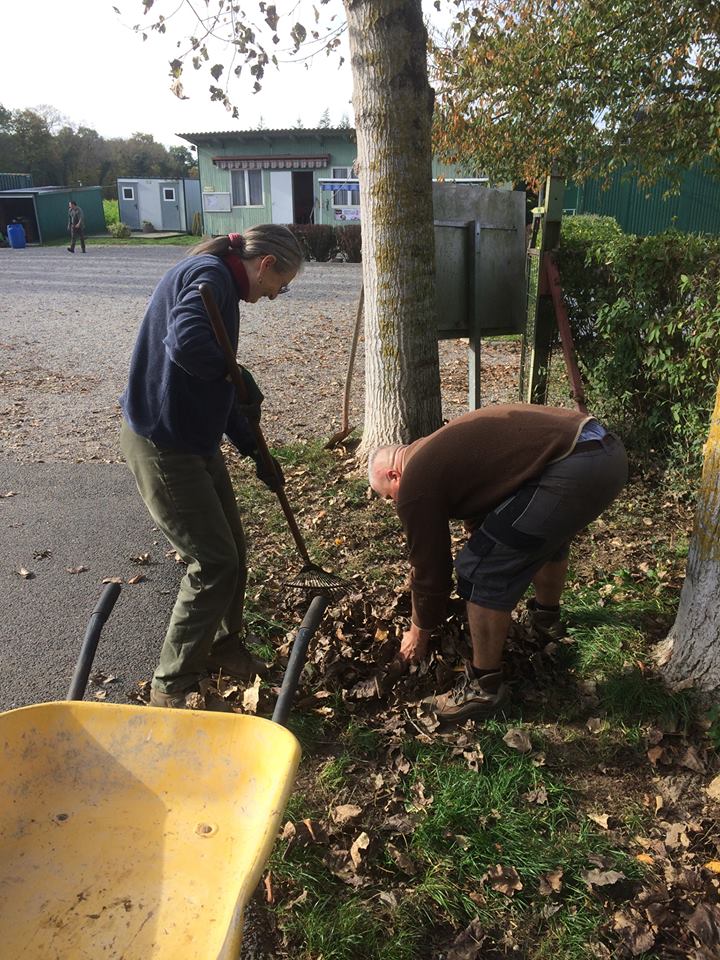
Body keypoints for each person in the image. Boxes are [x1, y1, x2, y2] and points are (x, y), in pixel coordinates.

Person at [120, 225, 305, 709]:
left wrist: (255, 452)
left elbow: (220, 389)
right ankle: (172, 687)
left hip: (193, 438)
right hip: (163, 441)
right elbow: (186, 346)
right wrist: (236, 371)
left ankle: (223, 645)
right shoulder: (211, 276)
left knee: (234, 552)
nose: (275, 295)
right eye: (280, 285)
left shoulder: (221, 283)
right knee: (214, 562)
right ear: (266, 264)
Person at [368, 404, 628, 722]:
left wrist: (418, 632)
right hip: (604, 451)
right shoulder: (431, 450)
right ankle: (546, 622)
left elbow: (430, 569)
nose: (395, 503)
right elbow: (485, 502)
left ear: (393, 475)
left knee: (479, 570)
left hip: (574, 467)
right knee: (536, 538)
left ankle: (484, 689)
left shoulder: (414, 481)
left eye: (389, 497)